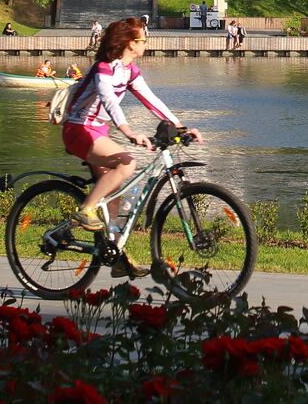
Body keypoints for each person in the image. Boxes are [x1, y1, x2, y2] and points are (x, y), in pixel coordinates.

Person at [60, 17, 203, 279]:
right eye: (143, 40)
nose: (146, 43)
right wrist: (128, 132)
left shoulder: (129, 71)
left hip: (97, 130)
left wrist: (180, 127)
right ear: (129, 43)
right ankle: (84, 211)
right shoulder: (104, 68)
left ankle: (116, 256)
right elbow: (107, 99)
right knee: (127, 163)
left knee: (115, 198)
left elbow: (152, 101)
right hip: (79, 129)